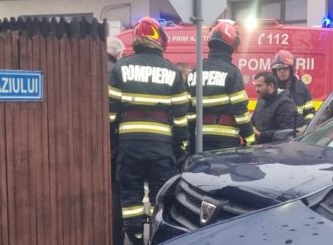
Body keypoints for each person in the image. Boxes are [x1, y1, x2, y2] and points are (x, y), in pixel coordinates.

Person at [108, 17, 190, 245]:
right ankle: (156, 236)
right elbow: (180, 116)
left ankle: (135, 238)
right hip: (161, 147)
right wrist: (182, 145)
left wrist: (112, 142)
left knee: (130, 195)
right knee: (160, 195)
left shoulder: (121, 67)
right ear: (159, 39)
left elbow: (111, 112)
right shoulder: (171, 70)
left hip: (129, 145)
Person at [187, 21, 255, 151]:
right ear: (231, 45)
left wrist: (190, 139)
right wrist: (250, 138)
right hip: (225, 139)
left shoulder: (195, 71)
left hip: (199, 138)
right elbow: (240, 110)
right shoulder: (232, 72)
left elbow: (189, 111)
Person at [106, 36, 125, 245]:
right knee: (116, 193)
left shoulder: (95, 66)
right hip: (114, 144)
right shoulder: (116, 71)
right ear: (119, 53)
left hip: (94, 144)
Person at [271, 50, 314, 128]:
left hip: (298, 132)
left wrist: (306, 127)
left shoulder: (301, 87)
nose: (281, 71)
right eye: (278, 69)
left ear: (291, 69)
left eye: (285, 68)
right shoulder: (271, 89)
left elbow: (310, 113)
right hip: (276, 132)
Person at [250, 72, 297, 144]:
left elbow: (285, 131)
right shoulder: (261, 101)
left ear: (271, 86)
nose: (256, 89)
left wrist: (260, 135)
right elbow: (253, 121)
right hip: (258, 146)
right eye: (256, 86)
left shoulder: (285, 104)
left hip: (276, 148)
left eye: (259, 86)